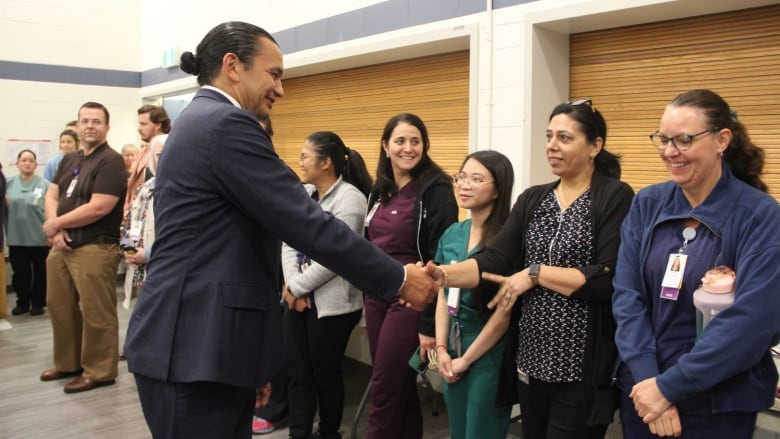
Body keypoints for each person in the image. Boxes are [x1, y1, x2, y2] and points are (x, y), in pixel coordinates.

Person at [122, 21, 438, 439]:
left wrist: (250, 361)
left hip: (207, 345)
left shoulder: (199, 122)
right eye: (274, 74)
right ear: (232, 66)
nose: (281, 89)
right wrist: (398, 279)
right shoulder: (225, 126)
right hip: (194, 348)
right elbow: (306, 223)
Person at [426, 99, 634, 438]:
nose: (551, 145)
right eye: (549, 135)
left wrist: (535, 273)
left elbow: (606, 278)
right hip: (531, 360)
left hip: (579, 366)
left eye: (564, 138)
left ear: (595, 146)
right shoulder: (534, 198)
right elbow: (493, 260)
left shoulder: (614, 196)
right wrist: (442, 275)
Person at [612, 89, 780, 438]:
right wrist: (648, 381)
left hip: (718, 404)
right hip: (643, 396)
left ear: (722, 140)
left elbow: (752, 322)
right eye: (663, 139)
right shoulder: (647, 204)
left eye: (684, 140)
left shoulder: (760, 216)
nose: (670, 152)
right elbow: (627, 298)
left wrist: (669, 388)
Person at [364, 113, 458, 439]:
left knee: (384, 391)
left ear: (424, 146)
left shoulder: (436, 190)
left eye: (415, 141)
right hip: (375, 297)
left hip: (411, 301)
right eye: (400, 141)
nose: (408, 148)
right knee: (399, 390)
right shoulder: (380, 191)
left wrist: (429, 325)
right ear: (385, 146)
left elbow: (442, 263)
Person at [281, 131, 373, 439]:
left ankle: (329, 432)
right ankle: (299, 433)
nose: (301, 162)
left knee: (325, 375)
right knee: (297, 374)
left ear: (326, 162)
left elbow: (339, 256)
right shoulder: (304, 193)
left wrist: (298, 287)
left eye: (306, 156)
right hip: (297, 296)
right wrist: (294, 285)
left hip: (334, 305)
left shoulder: (351, 199)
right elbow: (287, 240)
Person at [39, 101, 127, 393]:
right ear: (77, 126)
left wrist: (55, 225)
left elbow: (100, 207)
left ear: (106, 127)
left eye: (96, 121)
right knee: (59, 306)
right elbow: (52, 195)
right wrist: (56, 226)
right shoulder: (70, 159)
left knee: (96, 312)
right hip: (62, 245)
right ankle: (68, 363)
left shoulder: (110, 161)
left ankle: (100, 371)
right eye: (85, 121)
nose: (90, 126)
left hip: (95, 247)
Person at [432, 150, 514, 439]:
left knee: (481, 431)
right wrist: (441, 349)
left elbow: (503, 316)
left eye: (476, 179)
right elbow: (443, 295)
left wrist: (466, 360)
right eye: (462, 176)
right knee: (458, 430)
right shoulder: (453, 232)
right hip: (451, 341)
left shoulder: (507, 239)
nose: (464, 185)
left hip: (488, 346)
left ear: (497, 191)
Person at [121, 134, 167, 309]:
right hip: (141, 271)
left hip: (166, 270)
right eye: (158, 155)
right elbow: (126, 225)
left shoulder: (184, 189)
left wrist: (148, 253)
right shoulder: (144, 189)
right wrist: (130, 250)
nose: (163, 158)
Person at [6, 150, 49, 315]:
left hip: (40, 238)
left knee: (41, 274)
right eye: (23, 160)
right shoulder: (8, 183)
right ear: (17, 163)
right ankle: (22, 302)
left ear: (36, 164)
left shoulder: (45, 185)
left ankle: (38, 303)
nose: (27, 163)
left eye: (31, 160)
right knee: (21, 274)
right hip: (17, 238)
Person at [125, 105, 171, 213]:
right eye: (139, 123)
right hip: (137, 212)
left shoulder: (166, 146)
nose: (139, 128)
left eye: (144, 124)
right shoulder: (144, 150)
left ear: (158, 125)